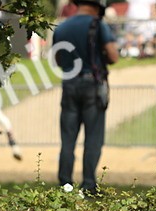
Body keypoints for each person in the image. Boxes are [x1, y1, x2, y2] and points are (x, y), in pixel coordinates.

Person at [51, 0, 118, 193]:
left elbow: (58, 60)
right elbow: (113, 56)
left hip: (69, 84)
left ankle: (65, 185)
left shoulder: (61, 28)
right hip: (92, 85)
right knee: (93, 138)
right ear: (96, 7)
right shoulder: (98, 25)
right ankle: (88, 185)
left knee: (68, 140)